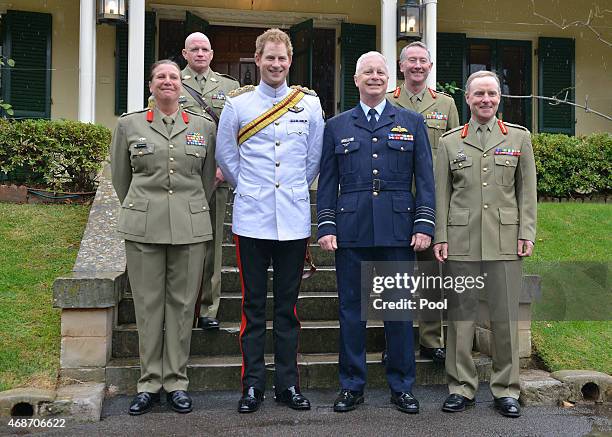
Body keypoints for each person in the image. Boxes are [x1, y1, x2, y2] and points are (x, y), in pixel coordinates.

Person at [317, 51, 435, 414]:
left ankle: (402, 386)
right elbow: (328, 180)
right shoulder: (337, 125)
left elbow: (425, 178)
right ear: (355, 80)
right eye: (367, 71)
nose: (374, 76)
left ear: (389, 79)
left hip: (399, 230)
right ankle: (352, 386)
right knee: (352, 312)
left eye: (380, 72)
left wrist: (424, 222)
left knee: (398, 313)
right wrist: (326, 224)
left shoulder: (412, 122)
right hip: (351, 230)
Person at [215, 28, 324, 414]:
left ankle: (287, 385)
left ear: (289, 61)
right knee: (253, 307)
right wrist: (253, 189)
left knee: (288, 309)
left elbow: (312, 160)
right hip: (252, 219)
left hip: (293, 220)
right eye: (269, 57)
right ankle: (252, 386)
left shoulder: (309, 105)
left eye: (282, 58)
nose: (276, 64)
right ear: (257, 60)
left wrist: (287, 189)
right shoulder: (238, 105)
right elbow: (227, 157)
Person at [111, 60, 217, 416]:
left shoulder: (203, 127)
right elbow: (121, 179)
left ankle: (176, 381)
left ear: (181, 85)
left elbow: (206, 181)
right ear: (151, 84)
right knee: (148, 307)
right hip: (144, 228)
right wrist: (143, 209)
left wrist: (187, 209)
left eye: (174, 76)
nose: (168, 82)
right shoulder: (129, 124)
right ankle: (148, 383)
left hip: (190, 228)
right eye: (161, 77)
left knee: (183, 307)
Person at [433, 70, 537, 418]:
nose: (486, 100)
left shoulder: (519, 139)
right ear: (467, 98)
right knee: (461, 316)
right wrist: (441, 236)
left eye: (492, 94)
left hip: (506, 240)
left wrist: (527, 233)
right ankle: (461, 387)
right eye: (479, 94)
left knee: (504, 318)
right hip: (462, 240)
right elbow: (440, 195)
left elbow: (527, 193)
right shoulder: (450, 142)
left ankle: (506, 388)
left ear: (499, 98)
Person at [386, 41, 460, 364]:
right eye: (411, 61)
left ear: (430, 67)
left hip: (433, 199)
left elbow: (458, 151)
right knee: (394, 273)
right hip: (395, 199)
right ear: (401, 66)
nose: (417, 66)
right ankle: (395, 339)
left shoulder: (446, 105)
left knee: (432, 273)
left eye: (422, 61)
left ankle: (431, 339)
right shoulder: (387, 101)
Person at [179, 32, 241, 330]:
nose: (200, 53)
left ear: (212, 53)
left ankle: (208, 308)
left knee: (214, 243)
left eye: (205, 49)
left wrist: (224, 168)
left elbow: (239, 132)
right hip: (183, 177)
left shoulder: (230, 87)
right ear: (185, 53)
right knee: (183, 243)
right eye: (195, 49)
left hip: (217, 175)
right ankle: (182, 306)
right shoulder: (171, 82)